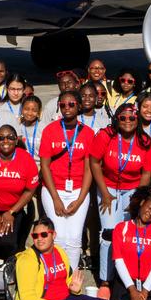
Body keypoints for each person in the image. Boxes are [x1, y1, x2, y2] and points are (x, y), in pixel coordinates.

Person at [10, 217, 147, 300]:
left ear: (54, 235)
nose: (39, 239)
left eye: (44, 234)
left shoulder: (58, 251)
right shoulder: (28, 260)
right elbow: (27, 299)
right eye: (35, 235)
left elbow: (68, 280)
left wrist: (74, 289)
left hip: (66, 299)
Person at [37, 91, 99, 269]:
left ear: (79, 106)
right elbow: (45, 166)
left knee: (74, 237)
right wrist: (56, 198)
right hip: (53, 189)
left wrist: (80, 200)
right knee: (58, 236)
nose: (67, 108)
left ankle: (71, 279)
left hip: (79, 190)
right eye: (63, 105)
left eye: (71, 104)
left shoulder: (88, 133)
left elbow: (89, 169)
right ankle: (56, 276)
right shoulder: (50, 130)